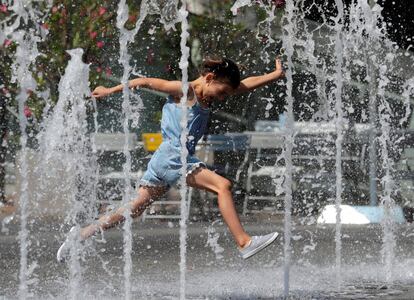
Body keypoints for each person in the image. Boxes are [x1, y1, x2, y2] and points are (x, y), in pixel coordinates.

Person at [57, 56, 284, 262]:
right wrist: (110, 91)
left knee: (134, 208)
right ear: (209, 77)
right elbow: (145, 81)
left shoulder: (210, 91)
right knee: (223, 186)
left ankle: (80, 235)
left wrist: (274, 75)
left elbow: (245, 85)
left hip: (165, 159)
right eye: (223, 92)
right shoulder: (186, 91)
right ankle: (244, 242)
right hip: (174, 156)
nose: (224, 98)